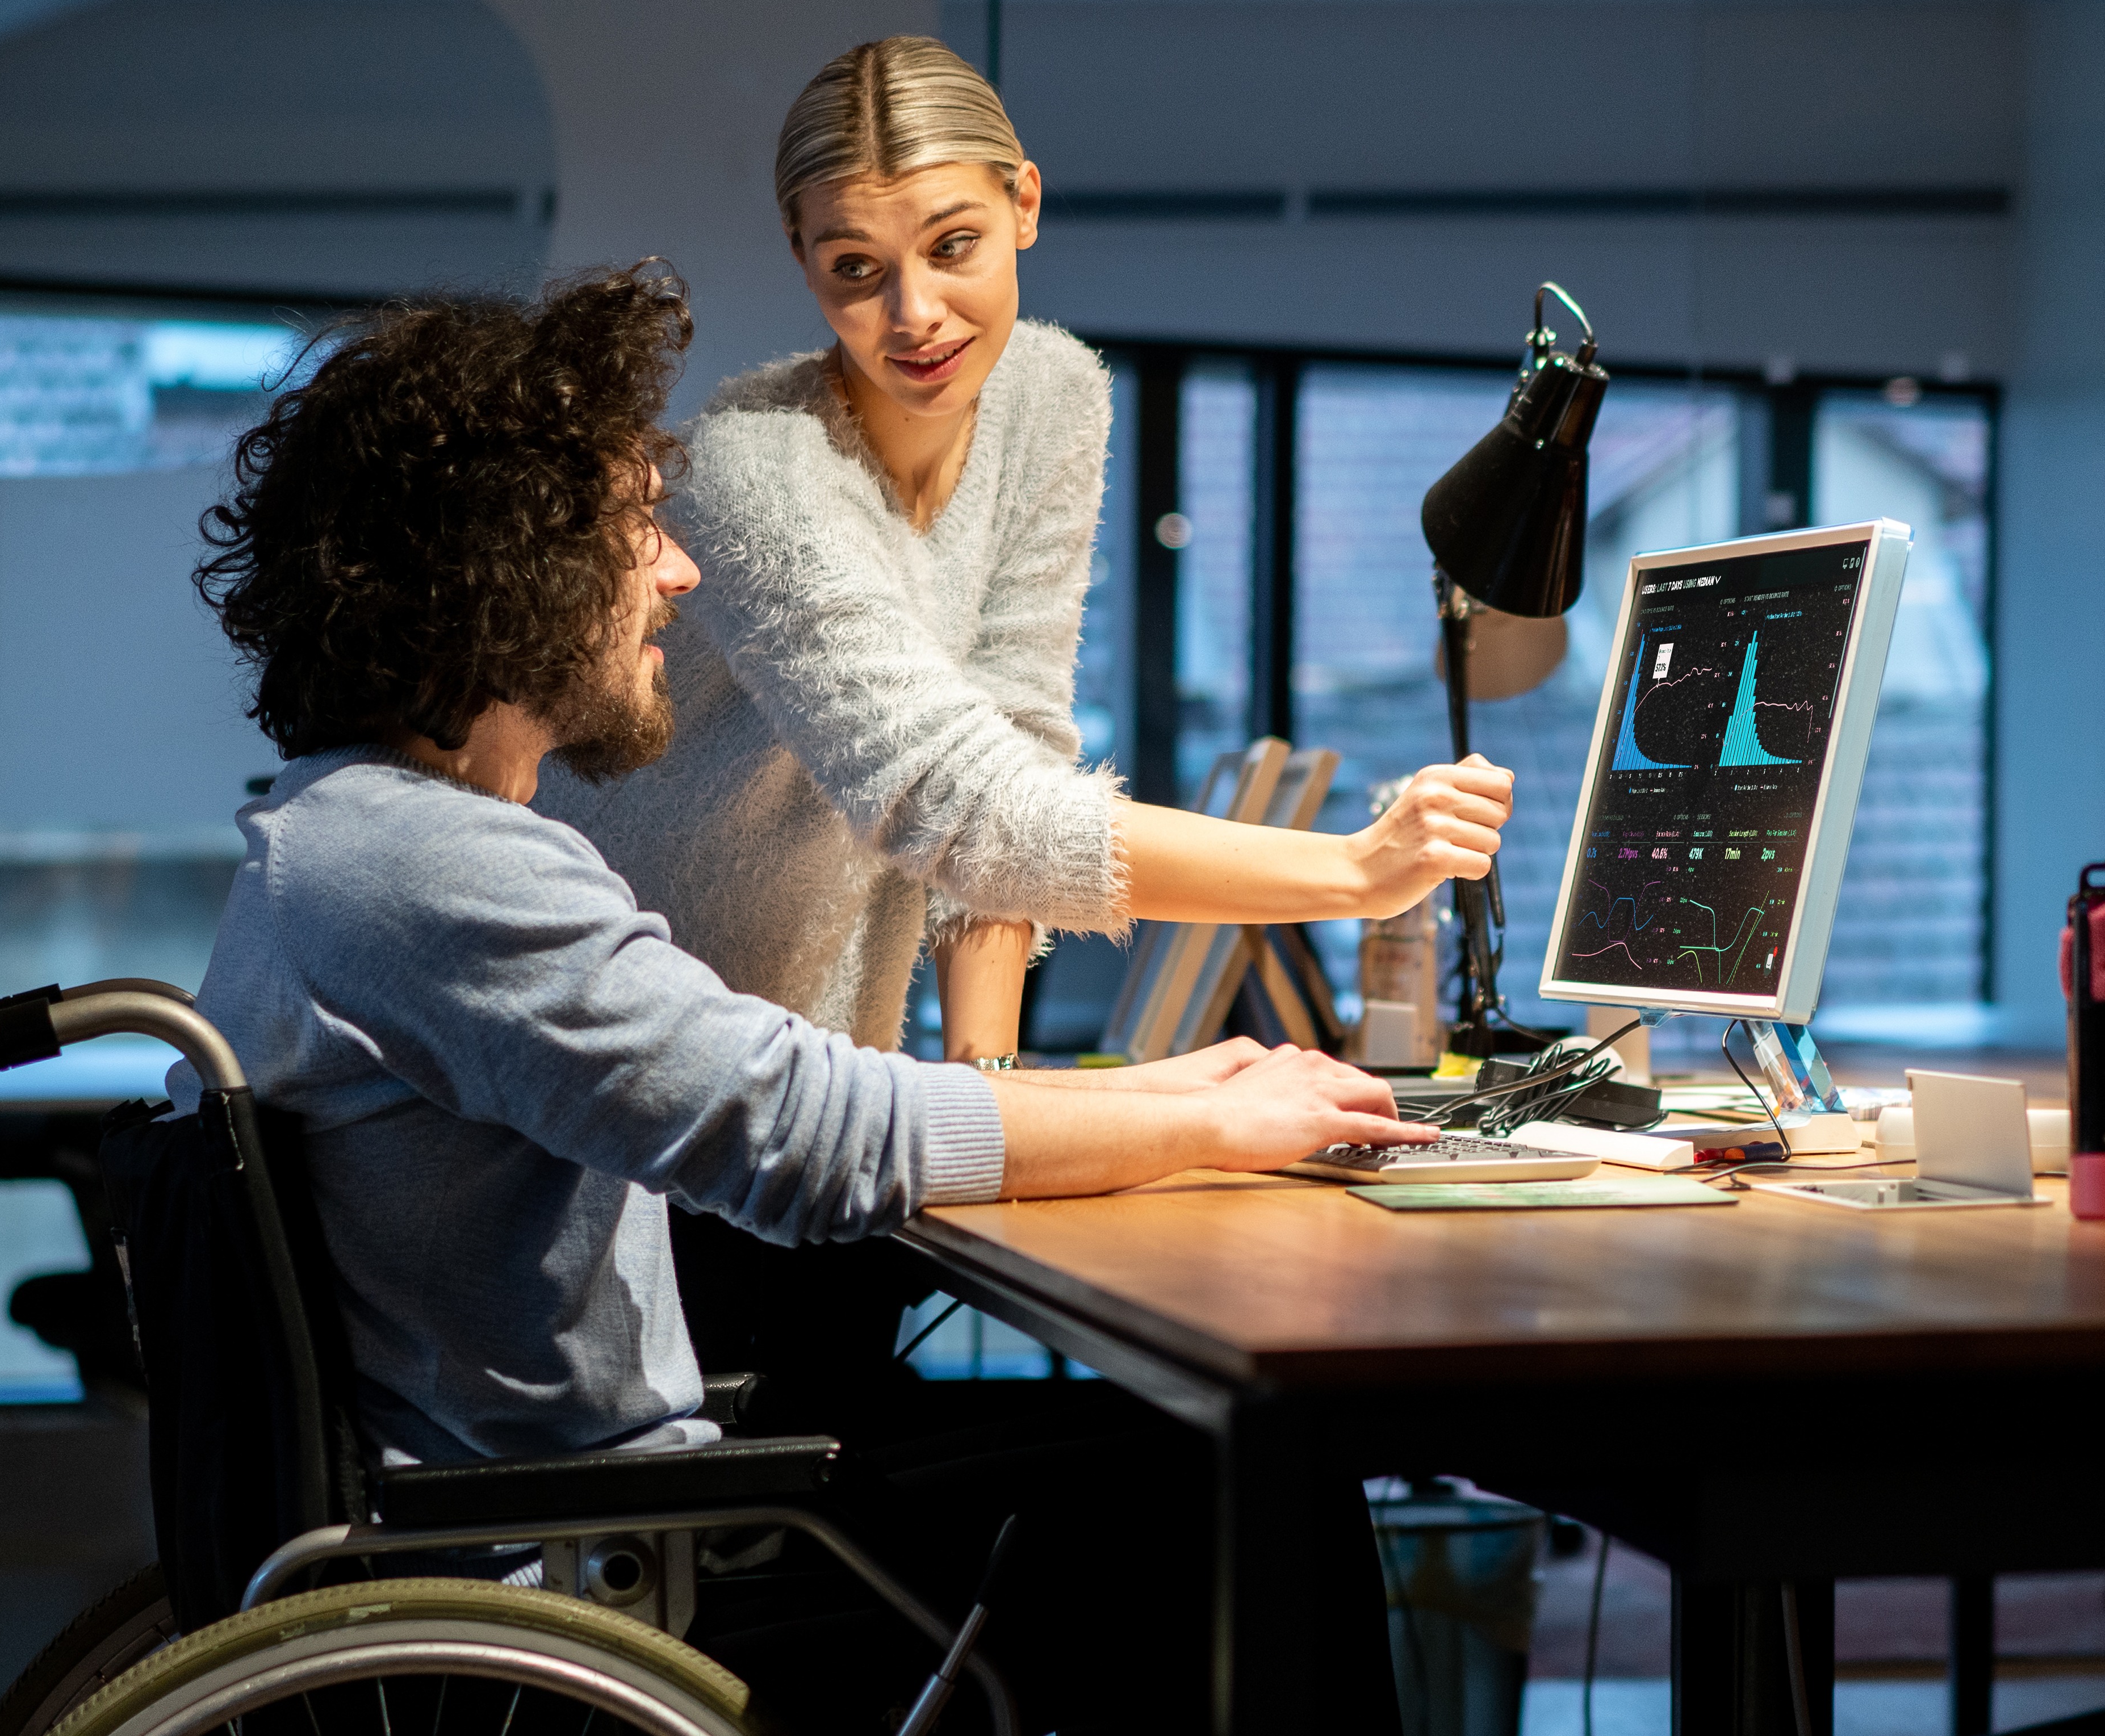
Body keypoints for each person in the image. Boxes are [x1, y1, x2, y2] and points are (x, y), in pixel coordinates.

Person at [181, 268, 1416, 1736]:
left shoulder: (353, 841)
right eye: (639, 529)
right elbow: (804, 1138)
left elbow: (753, 1070)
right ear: (512, 568)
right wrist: (1203, 1125)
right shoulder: (434, 871)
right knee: (1231, 1487)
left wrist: (1184, 1092)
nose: (680, 574)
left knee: (1153, 1456)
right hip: (610, 1583)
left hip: (562, 1533)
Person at [528, 35, 1516, 1404]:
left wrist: (988, 1075)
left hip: (843, 1090)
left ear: (1026, 206)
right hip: (680, 1120)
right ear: (802, 257)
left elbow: (1014, 741)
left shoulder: (1051, 394)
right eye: (854, 271)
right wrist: (1355, 872)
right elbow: (956, 806)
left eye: (953, 246)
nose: (913, 315)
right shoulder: (759, 472)